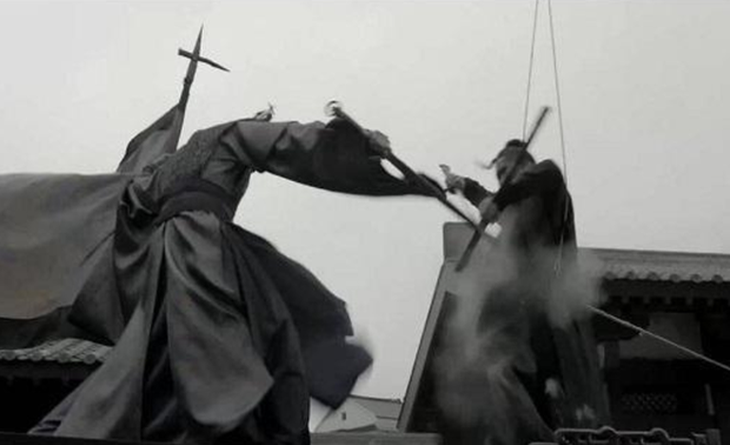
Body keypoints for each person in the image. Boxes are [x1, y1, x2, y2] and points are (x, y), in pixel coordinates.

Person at [0, 113, 427, 444]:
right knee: (224, 333)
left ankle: (110, 420)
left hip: (162, 260)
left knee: (154, 352)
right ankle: (226, 414)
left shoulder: (159, 172)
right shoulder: (229, 136)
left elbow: (132, 211)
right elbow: (289, 143)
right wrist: (360, 146)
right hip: (200, 247)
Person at [440, 139, 608, 444]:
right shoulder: (511, 210)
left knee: (559, 402)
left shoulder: (551, 198)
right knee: (492, 367)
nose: (505, 180)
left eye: (511, 172)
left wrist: (501, 199)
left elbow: (549, 172)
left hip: (553, 319)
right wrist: (462, 183)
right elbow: (488, 198)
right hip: (517, 322)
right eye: (500, 175)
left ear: (527, 170)